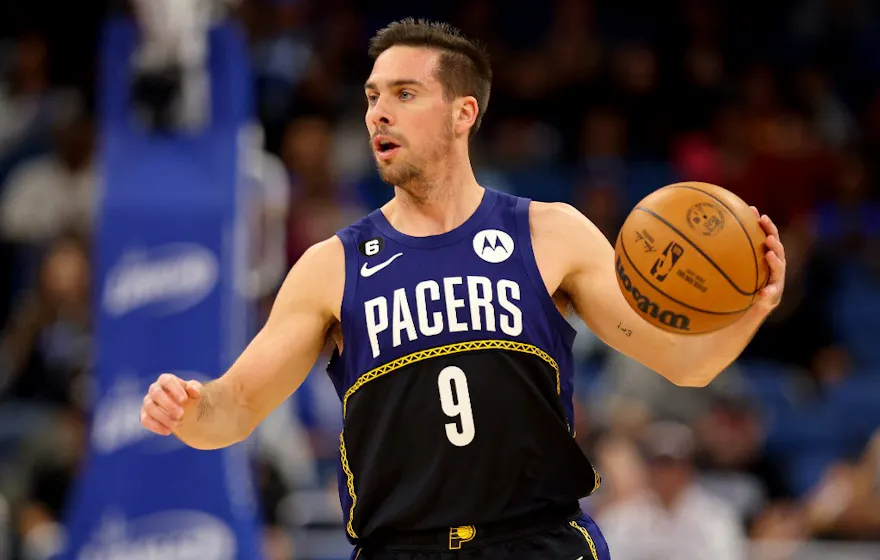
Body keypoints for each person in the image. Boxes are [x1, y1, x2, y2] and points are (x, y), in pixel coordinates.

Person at [139, 18, 787, 560]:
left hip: (538, 542)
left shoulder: (550, 232)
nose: (378, 113)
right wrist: (190, 408)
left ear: (462, 112)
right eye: (370, 97)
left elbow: (685, 361)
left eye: (404, 93)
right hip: (403, 547)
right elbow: (236, 409)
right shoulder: (331, 266)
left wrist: (752, 308)